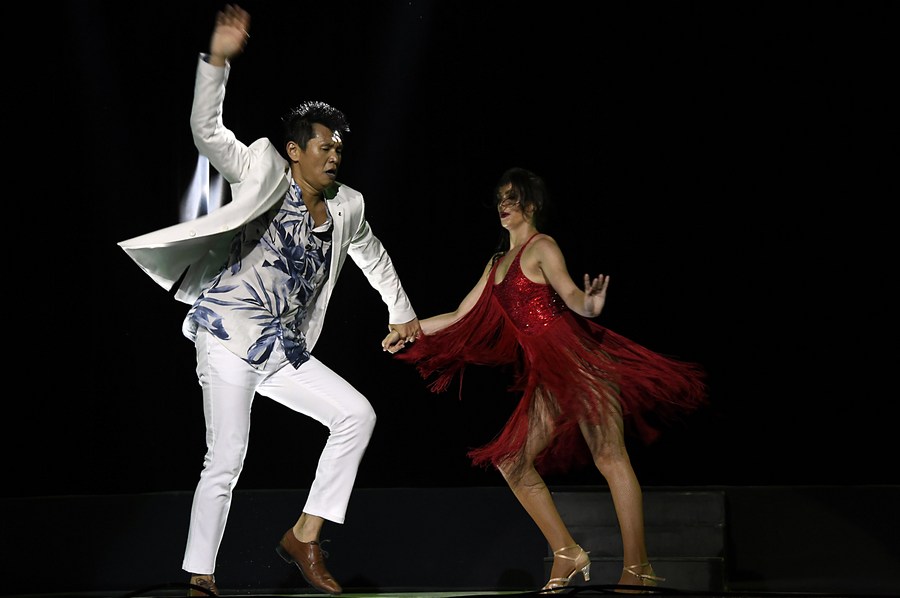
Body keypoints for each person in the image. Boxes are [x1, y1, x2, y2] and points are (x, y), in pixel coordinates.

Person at [118, 5, 420, 596]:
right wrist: (217, 62)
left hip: (281, 346)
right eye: (324, 147)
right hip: (228, 332)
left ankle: (304, 535)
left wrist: (400, 309)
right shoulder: (261, 167)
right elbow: (207, 134)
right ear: (294, 150)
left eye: (340, 147)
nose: (335, 154)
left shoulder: (347, 206)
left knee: (356, 415)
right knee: (226, 458)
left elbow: (373, 254)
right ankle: (200, 577)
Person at [383, 167, 708, 593]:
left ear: (531, 206)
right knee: (512, 463)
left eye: (513, 198)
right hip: (550, 377)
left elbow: (574, 299)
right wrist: (410, 329)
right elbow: (461, 314)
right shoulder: (497, 262)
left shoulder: (542, 248)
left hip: (582, 364)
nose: (504, 204)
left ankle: (637, 568)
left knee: (609, 457)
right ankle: (567, 552)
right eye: (500, 197)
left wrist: (591, 305)